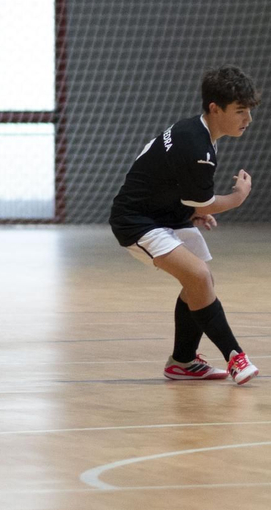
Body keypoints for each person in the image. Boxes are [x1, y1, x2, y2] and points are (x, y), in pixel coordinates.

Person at [109, 65, 261, 385]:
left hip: (166, 215)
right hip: (137, 221)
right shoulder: (197, 146)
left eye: (249, 111)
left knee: (200, 282)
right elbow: (205, 201)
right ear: (214, 108)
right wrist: (238, 196)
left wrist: (190, 211)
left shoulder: (198, 134)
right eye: (240, 111)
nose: (248, 119)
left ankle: (183, 362)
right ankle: (236, 357)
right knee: (199, 276)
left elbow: (167, 182)